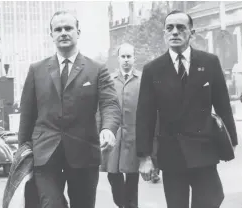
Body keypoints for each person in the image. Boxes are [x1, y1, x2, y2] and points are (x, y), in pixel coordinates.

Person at [18, 10, 121, 208]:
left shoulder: (97, 69)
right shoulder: (36, 70)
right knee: (51, 205)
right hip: (45, 155)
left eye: (68, 28)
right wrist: (23, 151)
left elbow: (109, 103)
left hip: (84, 153)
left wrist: (108, 129)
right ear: (51, 35)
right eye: (58, 29)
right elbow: (27, 114)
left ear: (78, 32)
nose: (63, 32)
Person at [136, 10, 238, 208]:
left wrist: (231, 141)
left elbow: (223, 105)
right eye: (169, 28)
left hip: (204, 149)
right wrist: (144, 157)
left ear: (192, 32)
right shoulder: (152, 69)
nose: (174, 32)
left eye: (181, 28)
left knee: (212, 199)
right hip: (171, 152)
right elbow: (144, 116)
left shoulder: (209, 62)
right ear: (164, 33)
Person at [100, 43, 141, 208]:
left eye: (129, 56)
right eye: (123, 57)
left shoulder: (142, 79)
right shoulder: (109, 80)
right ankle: (122, 204)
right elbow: (102, 106)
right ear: (118, 59)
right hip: (114, 135)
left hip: (134, 134)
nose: (126, 60)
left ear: (134, 58)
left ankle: (130, 206)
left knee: (133, 175)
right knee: (112, 174)